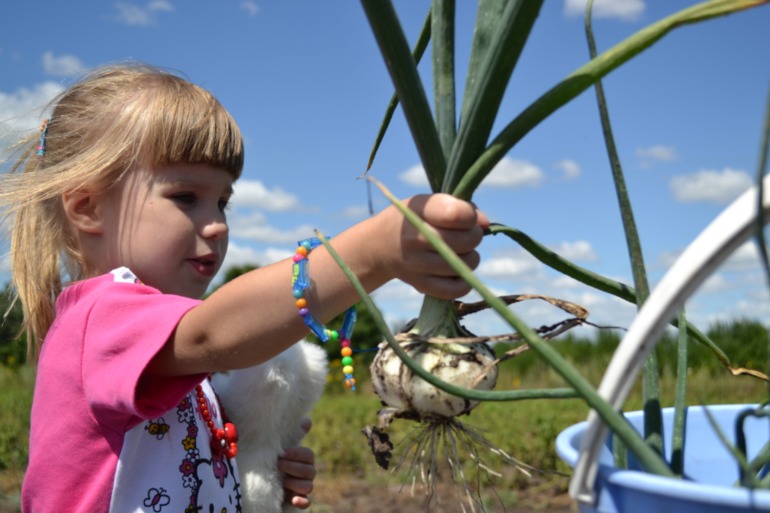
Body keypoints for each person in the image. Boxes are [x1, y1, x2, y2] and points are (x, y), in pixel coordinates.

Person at [0, 63, 488, 512]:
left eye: (223, 202)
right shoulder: (100, 317)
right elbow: (214, 334)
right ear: (87, 208)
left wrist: (253, 476)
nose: (216, 224)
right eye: (186, 197)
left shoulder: (171, 359)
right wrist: (372, 254)